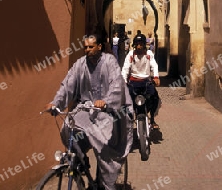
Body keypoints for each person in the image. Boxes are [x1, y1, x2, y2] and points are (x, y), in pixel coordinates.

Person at [43, 34, 133, 190]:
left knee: (102, 142)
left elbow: (117, 86)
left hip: (110, 110)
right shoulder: (80, 64)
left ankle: (105, 182)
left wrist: (106, 101)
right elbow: (67, 85)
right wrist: (55, 103)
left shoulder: (109, 62)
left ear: (99, 46)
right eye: (85, 47)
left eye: (91, 46)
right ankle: (81, 161)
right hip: (87, 108)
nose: (87, 50)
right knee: (67, 128)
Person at [121, 32, 160, 129]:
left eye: (141, 44)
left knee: (155, 98)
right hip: (133, 83)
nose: (139, 47)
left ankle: (152, 119)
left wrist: (156, 77)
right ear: (134, 45)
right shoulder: (131, 54)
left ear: (144, 45)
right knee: (126, 101)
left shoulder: (149, 54)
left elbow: (154, 65)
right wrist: (124, 81)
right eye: (137, 44)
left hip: (146, 82)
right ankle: (128, 120)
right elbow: (125, 69)